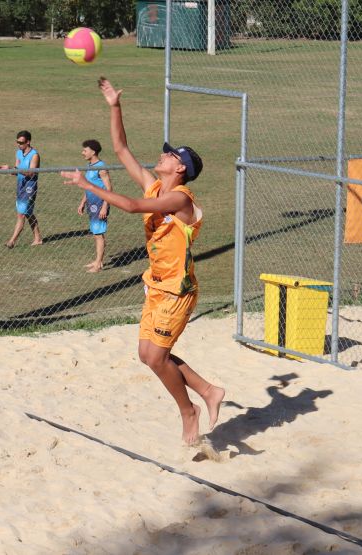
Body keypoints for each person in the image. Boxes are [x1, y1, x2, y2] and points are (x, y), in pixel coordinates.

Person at [61, 78, 225, 446]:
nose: (163, 155)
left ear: (180, 168)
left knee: (156, 358)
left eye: (170, 155)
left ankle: (190, 411)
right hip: (156, 283)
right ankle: (208, 390)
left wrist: (89, 187)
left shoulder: (181, 199)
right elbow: (120, 149)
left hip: (177, 292)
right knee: (147, 355)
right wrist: (114, 106)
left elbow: (133, 207)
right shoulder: (155, 185)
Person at [0, 130, 43, 248]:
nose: (19, 145)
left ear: (28, 142)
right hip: (20, 186)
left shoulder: (34, 155)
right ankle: (38, 238)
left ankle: (12, 241)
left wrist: (16, 171)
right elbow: (17, 168)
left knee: (21, 214)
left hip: (29, 188)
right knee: (28, 213)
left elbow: (31, 172)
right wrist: (10, 170)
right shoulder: (18, 153)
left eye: (21, 142)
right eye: (17, 142)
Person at [76, 140, 112, 273]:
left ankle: (98, 264)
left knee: (98, 235)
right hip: (91, 204)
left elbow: (109, 188)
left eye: (85, 150)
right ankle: (98, 261)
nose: (82, 153)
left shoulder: (101, 167)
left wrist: (104, 207)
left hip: (99, 204)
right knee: (96, 234)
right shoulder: (90, 165)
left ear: (93, 152)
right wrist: (82, 203)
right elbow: (88, 186)